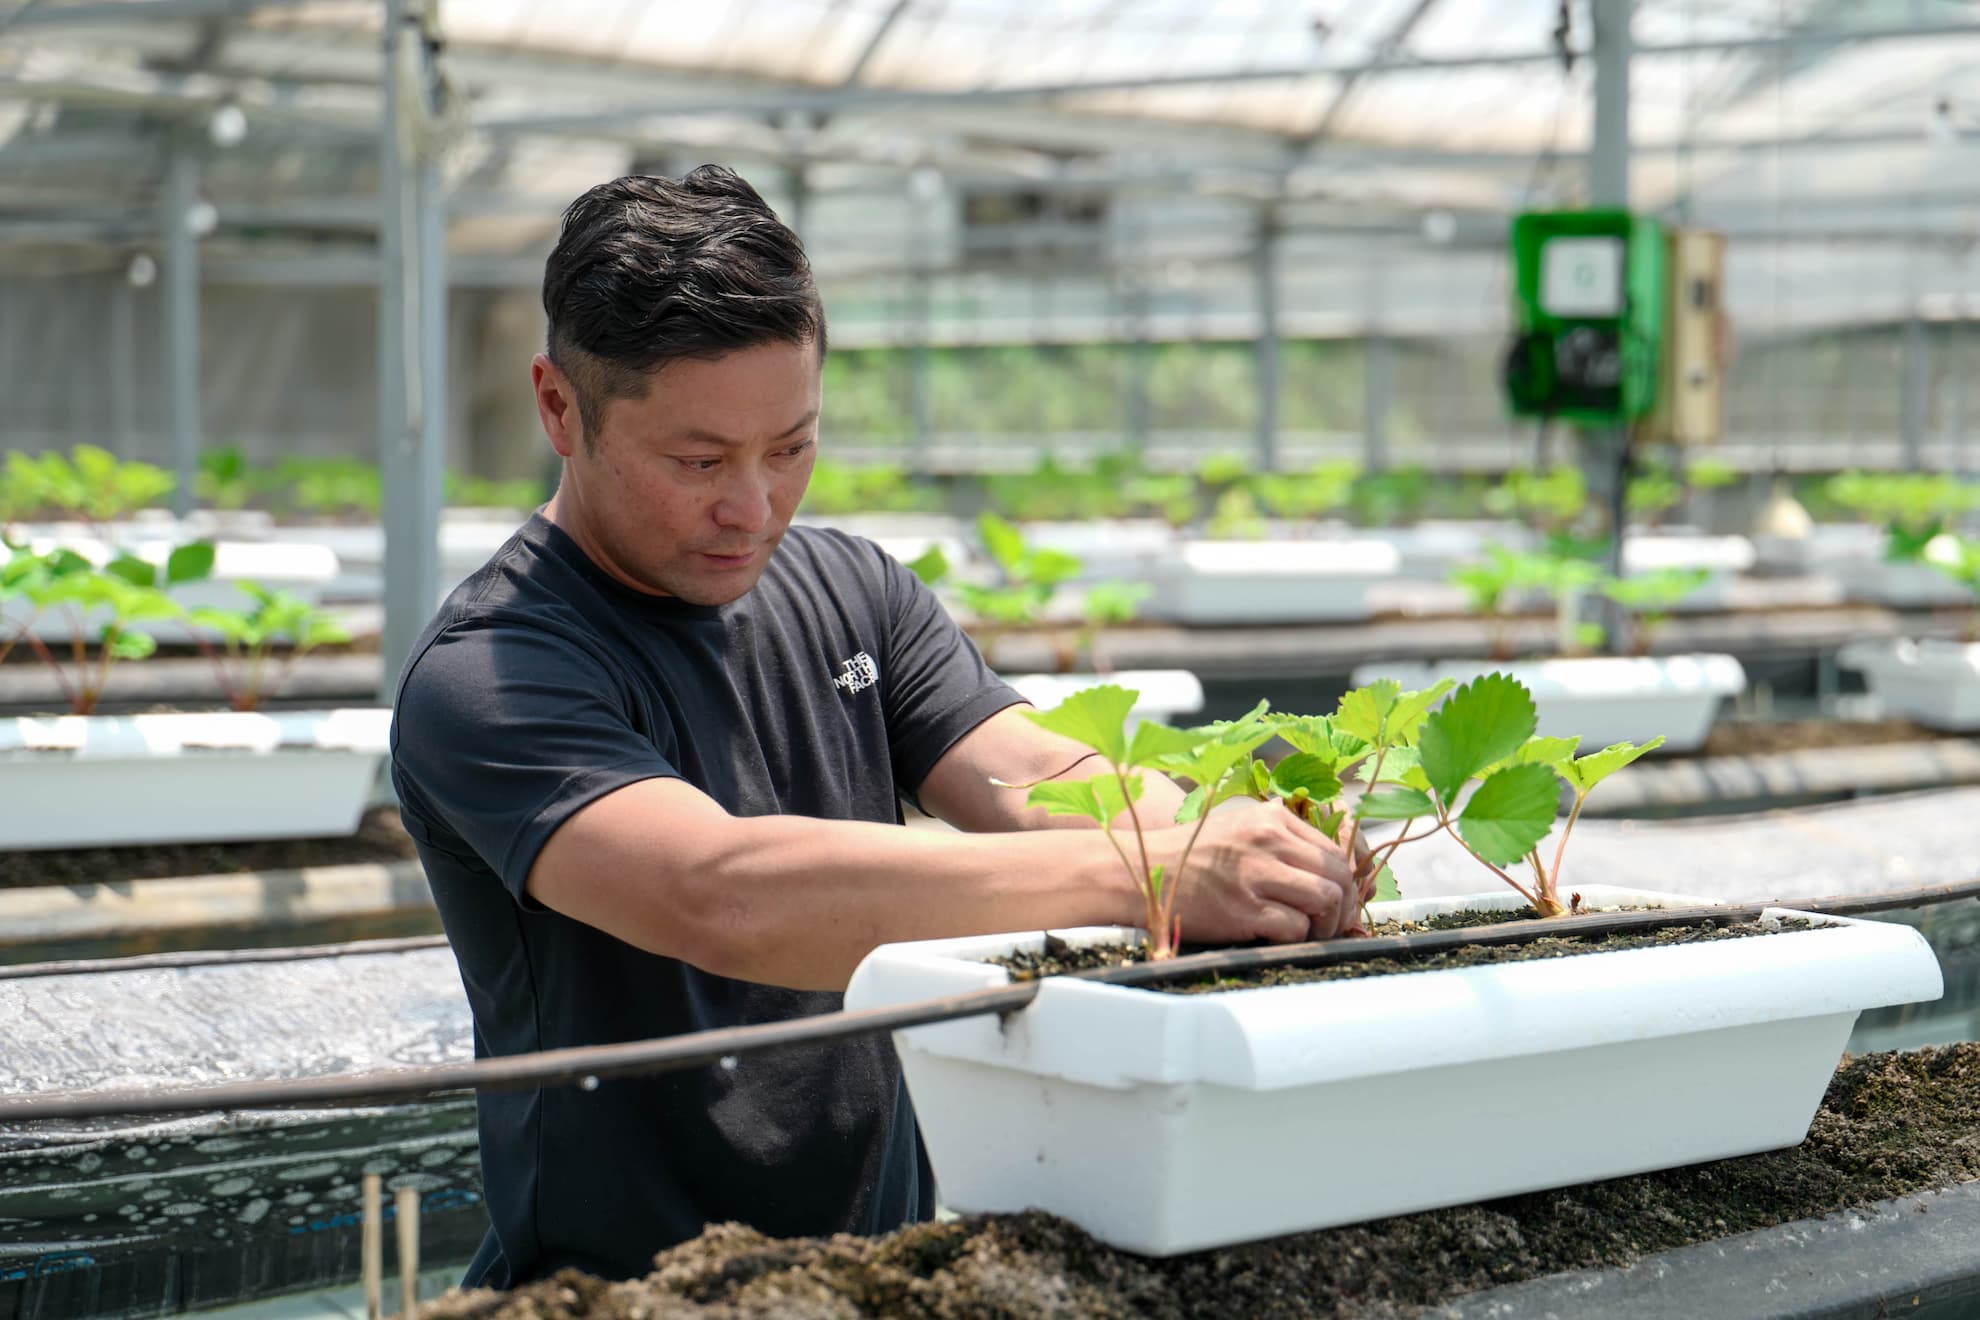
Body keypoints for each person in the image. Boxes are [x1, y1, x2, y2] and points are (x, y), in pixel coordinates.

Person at [389, 165, 1365, 1290]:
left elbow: (1038, 772)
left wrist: (1258, 842)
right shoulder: (493, 671)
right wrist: (1159, 873)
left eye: (791, 447)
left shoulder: (852, 589)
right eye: (697, 461)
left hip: (872, 1282)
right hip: (622, 1296)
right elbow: (720, 893)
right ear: (559, 405)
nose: (751, 507)